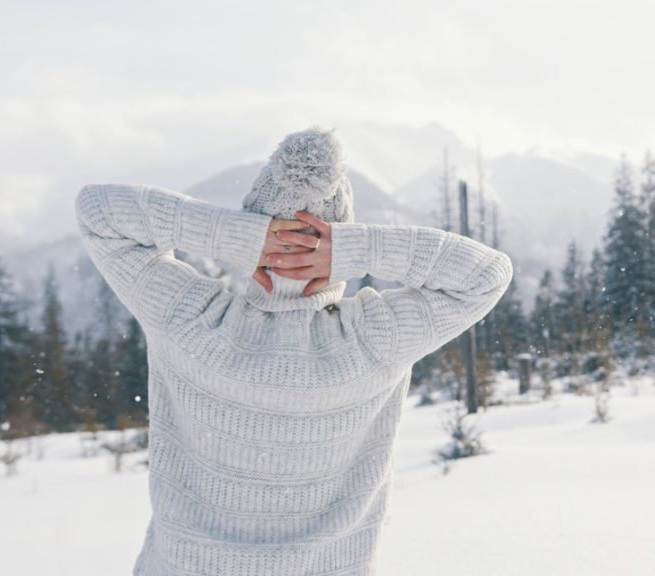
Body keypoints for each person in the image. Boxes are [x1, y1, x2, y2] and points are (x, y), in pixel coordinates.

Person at [74, 127, 513, 576]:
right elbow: (486, 275)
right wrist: (350, 249)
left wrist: (234, 236)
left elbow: (97, 212)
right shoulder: (372, 340)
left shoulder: (191, 320)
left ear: (251, 231)